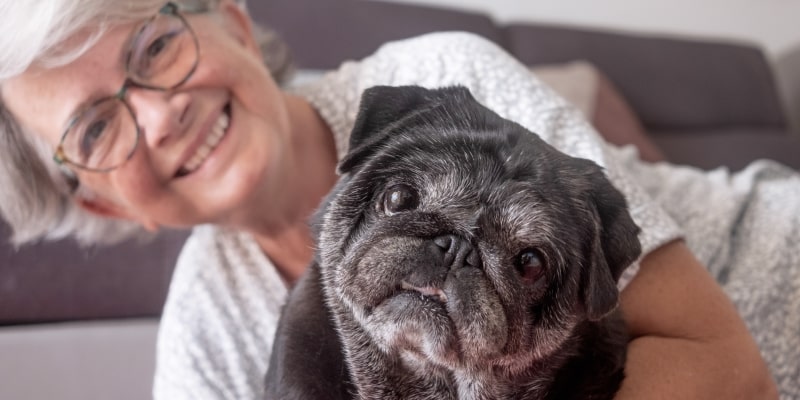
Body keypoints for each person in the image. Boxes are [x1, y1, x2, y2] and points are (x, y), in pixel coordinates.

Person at [0, 0, 795, 399]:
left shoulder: (445, 81)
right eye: (97, 128)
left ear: (235, 22)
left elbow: (727, 366)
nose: (158, 110)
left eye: (158, 45)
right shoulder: (208, 330)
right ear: (104, 206)